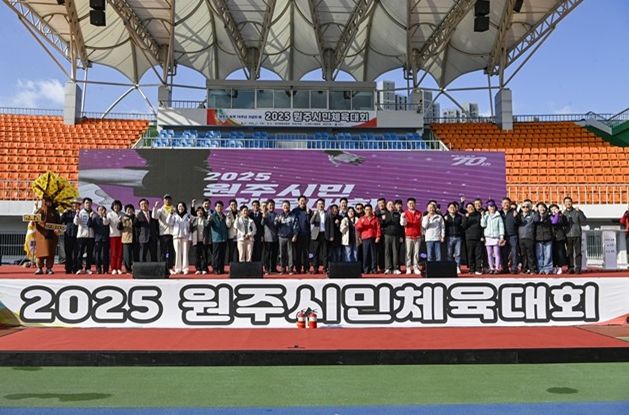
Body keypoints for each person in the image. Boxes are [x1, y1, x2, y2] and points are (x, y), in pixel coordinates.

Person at [33, 197, 61, 275]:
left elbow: (58, 223)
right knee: (40, 253)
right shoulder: (40, 211)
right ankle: (39, 268)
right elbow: (35, 220)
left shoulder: (55, 212)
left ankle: (49, 268)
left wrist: (57, 229)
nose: (49, 203)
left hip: (52, 235)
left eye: (50, 202)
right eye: (47, 201)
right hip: (41, 235)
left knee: (50, 253)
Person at [563, 197, 587, 274]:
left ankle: (578, 268)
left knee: (578, 253)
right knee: (569, 253)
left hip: (577, 234)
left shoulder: (577, 211)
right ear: (564, 204)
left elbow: (584, 221)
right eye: (566, 202)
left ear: (572, 202)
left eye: (569, 201)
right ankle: (570, 268)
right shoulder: (563, 213)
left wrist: (580, 212)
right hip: (568, 235)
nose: (568, 203)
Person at [355, 204, 381, 274]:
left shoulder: (375, 219)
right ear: (364, 210)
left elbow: (378, 228)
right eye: (366, 210)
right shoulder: (361, 218)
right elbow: (357, 228)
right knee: (366, 254)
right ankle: (366, 269)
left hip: (373, 238)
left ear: (372, 210)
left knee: (373, 255)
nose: (368, 211)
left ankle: (374, 269)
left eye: (369, 210)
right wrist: (361, 223)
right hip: (365, 239)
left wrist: (378, 236)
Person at [481, 200, 505, 274]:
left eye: (493, 206)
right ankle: (491, 267)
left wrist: (501, 237)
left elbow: (501, 227)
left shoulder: (498, 216)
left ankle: (497, 268)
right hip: (488, 237)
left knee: (497, 253)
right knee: (489, 254)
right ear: (488, 207)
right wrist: (483, 216)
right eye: (490, 206)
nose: (492, 208)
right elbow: (483, 225)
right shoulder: (486, 216)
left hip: (496, 237)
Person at [153, 194, 176, 271]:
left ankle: (170, 266)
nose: (167, 200)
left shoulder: (174, 209)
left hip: (173, 233)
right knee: (163, 251)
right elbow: (155, 217)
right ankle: (162, 266)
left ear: (171, 200)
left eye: (169, 199)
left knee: (171, 251)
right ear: (163, 200)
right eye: (166, 199)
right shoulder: (160, 210)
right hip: (163, 233)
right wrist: (155, 207)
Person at [74, 197, 97, 274]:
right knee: (80, 253)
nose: (88, 204)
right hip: (81, 236)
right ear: (83, 204)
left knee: (89, 253)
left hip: (91, 236)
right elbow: (76, 223)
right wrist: (77, 215)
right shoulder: (80, 212)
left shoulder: (94, 213)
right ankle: (79, 268)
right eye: (87, 203)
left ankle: (88, 268)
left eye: (90, 203)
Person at [400, 198, 422, 275]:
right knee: (408, 253)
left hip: (418, 236)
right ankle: (408, 267)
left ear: (415, 204)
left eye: (413, 203)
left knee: (416, 253)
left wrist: (422, 234)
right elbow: (403, 224)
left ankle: (415, 267)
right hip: (408, 236)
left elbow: (421, 224)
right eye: (410, 203)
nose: (411, 205)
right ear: (407, 204)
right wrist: (403, 218)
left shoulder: (419, 213)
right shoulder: (404, 213)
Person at [276, 200, 298, 275]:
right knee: (282, 254)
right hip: (281, 237)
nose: (286, 207)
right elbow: (275, 225)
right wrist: (278, 222)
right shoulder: (279, 215)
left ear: (289, 206)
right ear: (282, 207)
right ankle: (283, 269)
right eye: (284, 205)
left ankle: (290, 269)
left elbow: (296, 226)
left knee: (290, 254)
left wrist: (295, 235)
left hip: (290, 237)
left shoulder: (293, 215)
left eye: (287, 205)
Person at [291, 195, 312, 274]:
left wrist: (308, 213)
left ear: (306, 202)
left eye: (304, 200)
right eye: (301, 200)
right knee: (298, 252)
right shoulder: (294, 211)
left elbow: (310, 222)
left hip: (306, 234)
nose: (302, 202)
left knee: (306, 252)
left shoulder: (309, 211)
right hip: (297, 235)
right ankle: (298, 269)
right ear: (298, 202)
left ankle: (307, 268)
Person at [191, 198, 212, 272]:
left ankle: (204, 268)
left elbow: (208, 226)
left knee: (204, 255)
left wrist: (208, 220)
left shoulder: (205, 220)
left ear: (203, 212)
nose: (200, 212)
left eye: (201, 211)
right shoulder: (194, 220)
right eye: (198, 211)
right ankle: (198, 269)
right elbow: (190, 228)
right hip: (196, 240)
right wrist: (193, 205)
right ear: (196, 212)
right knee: (197, 256)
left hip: (204, 240)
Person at [461, 202, 483, 275]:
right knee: (470, 255)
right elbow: (464, 226)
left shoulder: (479, 215)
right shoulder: (465, 216)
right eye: (469, 207)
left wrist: (482, 236)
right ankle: (472, 269)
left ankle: (478, 269)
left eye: (471, 207)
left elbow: (482, 226)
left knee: (478, 254)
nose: (470, 208)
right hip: (469, 238)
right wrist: (466, 218)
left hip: (478, 238)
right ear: (466, 209)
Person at [500, 197, 520, 274]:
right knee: (503, 253)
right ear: (501, 204)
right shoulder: (499, 213)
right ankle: (505, 268)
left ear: (510, 204)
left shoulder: (514, 212)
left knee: (514, 252)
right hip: (503, 236)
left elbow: (519, 223)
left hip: (513, 235)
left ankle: (514, 268)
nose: (506, 204)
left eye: (507, 203)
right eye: (504, 203)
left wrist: (516, 217)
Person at [381, 200, 402, 274]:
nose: (390, 206)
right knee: (387, 252)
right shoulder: (384, 214)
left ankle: (396, 268)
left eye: (392, 204)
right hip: (387, 235)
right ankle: (388, 268)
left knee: (395, 252)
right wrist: (383, 220)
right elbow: (381, 225)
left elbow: (401, 226)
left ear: (394, 206)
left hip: (396, 236)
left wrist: (401, 236)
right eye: (389, 204)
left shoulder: (398, 214)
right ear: (386, 206)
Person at [60, 199, 80, 274]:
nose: (75, 205)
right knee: (68, 252)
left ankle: (75, 268)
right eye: (73, 204)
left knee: (76, 253)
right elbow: (60, 221)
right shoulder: (67, 213)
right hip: (68, 234)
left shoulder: (81, 213)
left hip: (78, 235)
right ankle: (68, 268)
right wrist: (63, 213)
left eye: (76, 204)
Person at [208, 201, 228, 274]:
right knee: (216, 255)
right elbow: (208, 225)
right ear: (215, 207)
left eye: (221, 206)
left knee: (222, 255)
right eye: (218, 206)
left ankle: (221, 268)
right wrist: (208, 220)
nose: (220, 208)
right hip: (216, 238)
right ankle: (215, 268)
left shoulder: (224, 216)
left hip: (224, 238)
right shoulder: (212, 216)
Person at [172, 201, 192, 274]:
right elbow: (169, 222)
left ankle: (185, 268)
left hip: (185, 236)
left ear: (184, 207)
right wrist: (170, 214)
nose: (181, 208)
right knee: (177, 253)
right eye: (179, 206)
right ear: (177, 207)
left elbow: (191, 226)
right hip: (176, 236)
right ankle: (178, 268)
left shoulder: (188, 215)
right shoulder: (174, 215)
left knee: (185, 253)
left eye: (182, 206)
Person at [444, 201, 464, 274]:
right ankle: (450, 267)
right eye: (451, 207)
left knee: (458, 254)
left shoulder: (460, 217)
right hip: (449, 237)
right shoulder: (445, 217)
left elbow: (462, 227)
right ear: (448, 209)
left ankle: (457, 267)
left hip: (458, 237)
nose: (452, 209)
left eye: (453, 207)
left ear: (456, 209)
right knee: (449, 254)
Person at [518, 200, 537, 274]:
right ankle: (524, 269)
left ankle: (532, 269)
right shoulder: (519, 216)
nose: (525, 208)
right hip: (521, 237)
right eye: (523, 207)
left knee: (530, 254)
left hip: (529, 237)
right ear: (521, 208)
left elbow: (537, 219)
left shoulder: (532, 215)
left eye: (527, 207)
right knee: (523, 255)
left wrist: (534, 211)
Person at [534, 202, 553, 275]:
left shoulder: (549, 216)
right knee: (539, 255)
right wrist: (537, 213)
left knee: (548, 255)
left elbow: (553, 221)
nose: (541, 208)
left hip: (548, 237)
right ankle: (540, 269)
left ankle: (548, 269)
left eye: (543, 207)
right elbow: (536, 220)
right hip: (538, 238)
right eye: (540, 207)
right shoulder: (535, 215)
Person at [309, 198, 328, 274]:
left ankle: (325, 268)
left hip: (325, 234)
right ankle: (315, 268)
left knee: (325, 253)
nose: (321, 205)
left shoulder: (327, 213)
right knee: (315, 253)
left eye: (322, 204)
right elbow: (311, 222)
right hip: (316, 235)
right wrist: (314, 214)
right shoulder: (314, 213)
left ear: (324, 205)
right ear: (316, 205)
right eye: (319, 204)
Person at [549, 204, 569, 275]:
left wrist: (559, 215)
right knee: (553, 253)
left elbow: (564, 223)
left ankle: (560, 267)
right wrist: (556, 215)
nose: (554, 210)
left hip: (560, 237)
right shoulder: (549, 217)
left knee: (561, 253)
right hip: (552, 237)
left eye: (555, 208)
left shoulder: (562, 216)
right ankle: (554, 266)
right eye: (552, 209)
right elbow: (553, 222)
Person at [262, 200, 279, 275]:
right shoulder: (265, 214)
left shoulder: (276, 215)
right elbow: (262, 223)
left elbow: (277, 225)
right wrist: (264, 217)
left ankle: (273, 269)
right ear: (267, 206)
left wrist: (278, 222)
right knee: (267, 254)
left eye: (273, 205)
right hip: (267, 238)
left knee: (274, 254)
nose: (271, 207)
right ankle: (266, 269)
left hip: (276, 237)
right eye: (270, 205)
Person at [107, 200, 124, 275]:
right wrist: (104, 217)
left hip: (121, 236)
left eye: (118, 205)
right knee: (113, 253)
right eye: (115, 205)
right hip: (113, 235)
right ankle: (113, 268)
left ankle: (119, 268)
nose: (116, 207)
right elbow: (106, 223)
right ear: (113, 206)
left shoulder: (123, 214)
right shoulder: (109, 214)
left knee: (120, 253)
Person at [93, 205, 110, 274]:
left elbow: (106, 224)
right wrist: (90, 217)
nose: (101, 211)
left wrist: (104, 216)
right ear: (97, 211)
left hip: (105, 238)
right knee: (97, 255)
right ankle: (98, 269)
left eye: (103, 210)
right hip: (97, 239)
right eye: (100, 210)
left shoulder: (107, 218)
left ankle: (105, 269)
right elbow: (90, 225)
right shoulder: (95, 218)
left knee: (105, 255)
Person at [119, 204, 135, 274]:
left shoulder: (135, 217)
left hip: (135, 239)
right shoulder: (123, 218)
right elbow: (119, 228)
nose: (129, 211)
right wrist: (120, 221)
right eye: (128, 209)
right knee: (127, 255)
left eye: (131, 209)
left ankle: (134, 268)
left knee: (134, 255)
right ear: (125, 211)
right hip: (126, 238)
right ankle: (128, 269)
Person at [374, 198, 387, 272]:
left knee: (388, 250)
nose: (381, 205)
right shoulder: (375, 213)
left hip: (388, 234)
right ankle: (381, 267)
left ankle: (388, 266)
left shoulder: (389, 211)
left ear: (385, 203)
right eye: (379, 203)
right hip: (379, 234)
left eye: (382, 203)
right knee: (380, 251)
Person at [226, 199, 240, 263]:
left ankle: (238, 266)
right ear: (229, 206)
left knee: (239, 252)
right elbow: (228, 225)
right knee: (231, 252)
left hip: (239, 236)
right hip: (231, 236)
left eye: (234, 204)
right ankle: (230, 265)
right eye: (232, 205)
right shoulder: (228, 214)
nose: (233, 206)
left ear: (237, 205)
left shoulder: (240, 213)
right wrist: (229, 219)